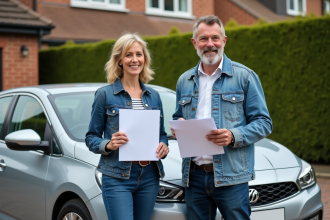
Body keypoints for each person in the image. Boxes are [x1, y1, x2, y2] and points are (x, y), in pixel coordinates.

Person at [171, 15, 272, 220]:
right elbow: (178, 117)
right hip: (194, 176)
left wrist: (233, 135)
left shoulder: (245, 77)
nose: (210, 44)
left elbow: (264, 123)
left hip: (232, 177)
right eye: (203, 39)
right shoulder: (184, 81)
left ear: (224, 41)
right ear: (194, 43)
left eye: (215, 38)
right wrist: (178, 126)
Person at [85, 33, 169, 220]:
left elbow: (161, 135)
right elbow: (91, 137)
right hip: (117, 177)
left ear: (144, 59)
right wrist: (108, 144)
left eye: (139, 54)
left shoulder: (153, 96)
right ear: (119, 60)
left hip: (149, 176)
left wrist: (164, 145)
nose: (135, 59)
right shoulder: (104, 95)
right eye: (128, 54)